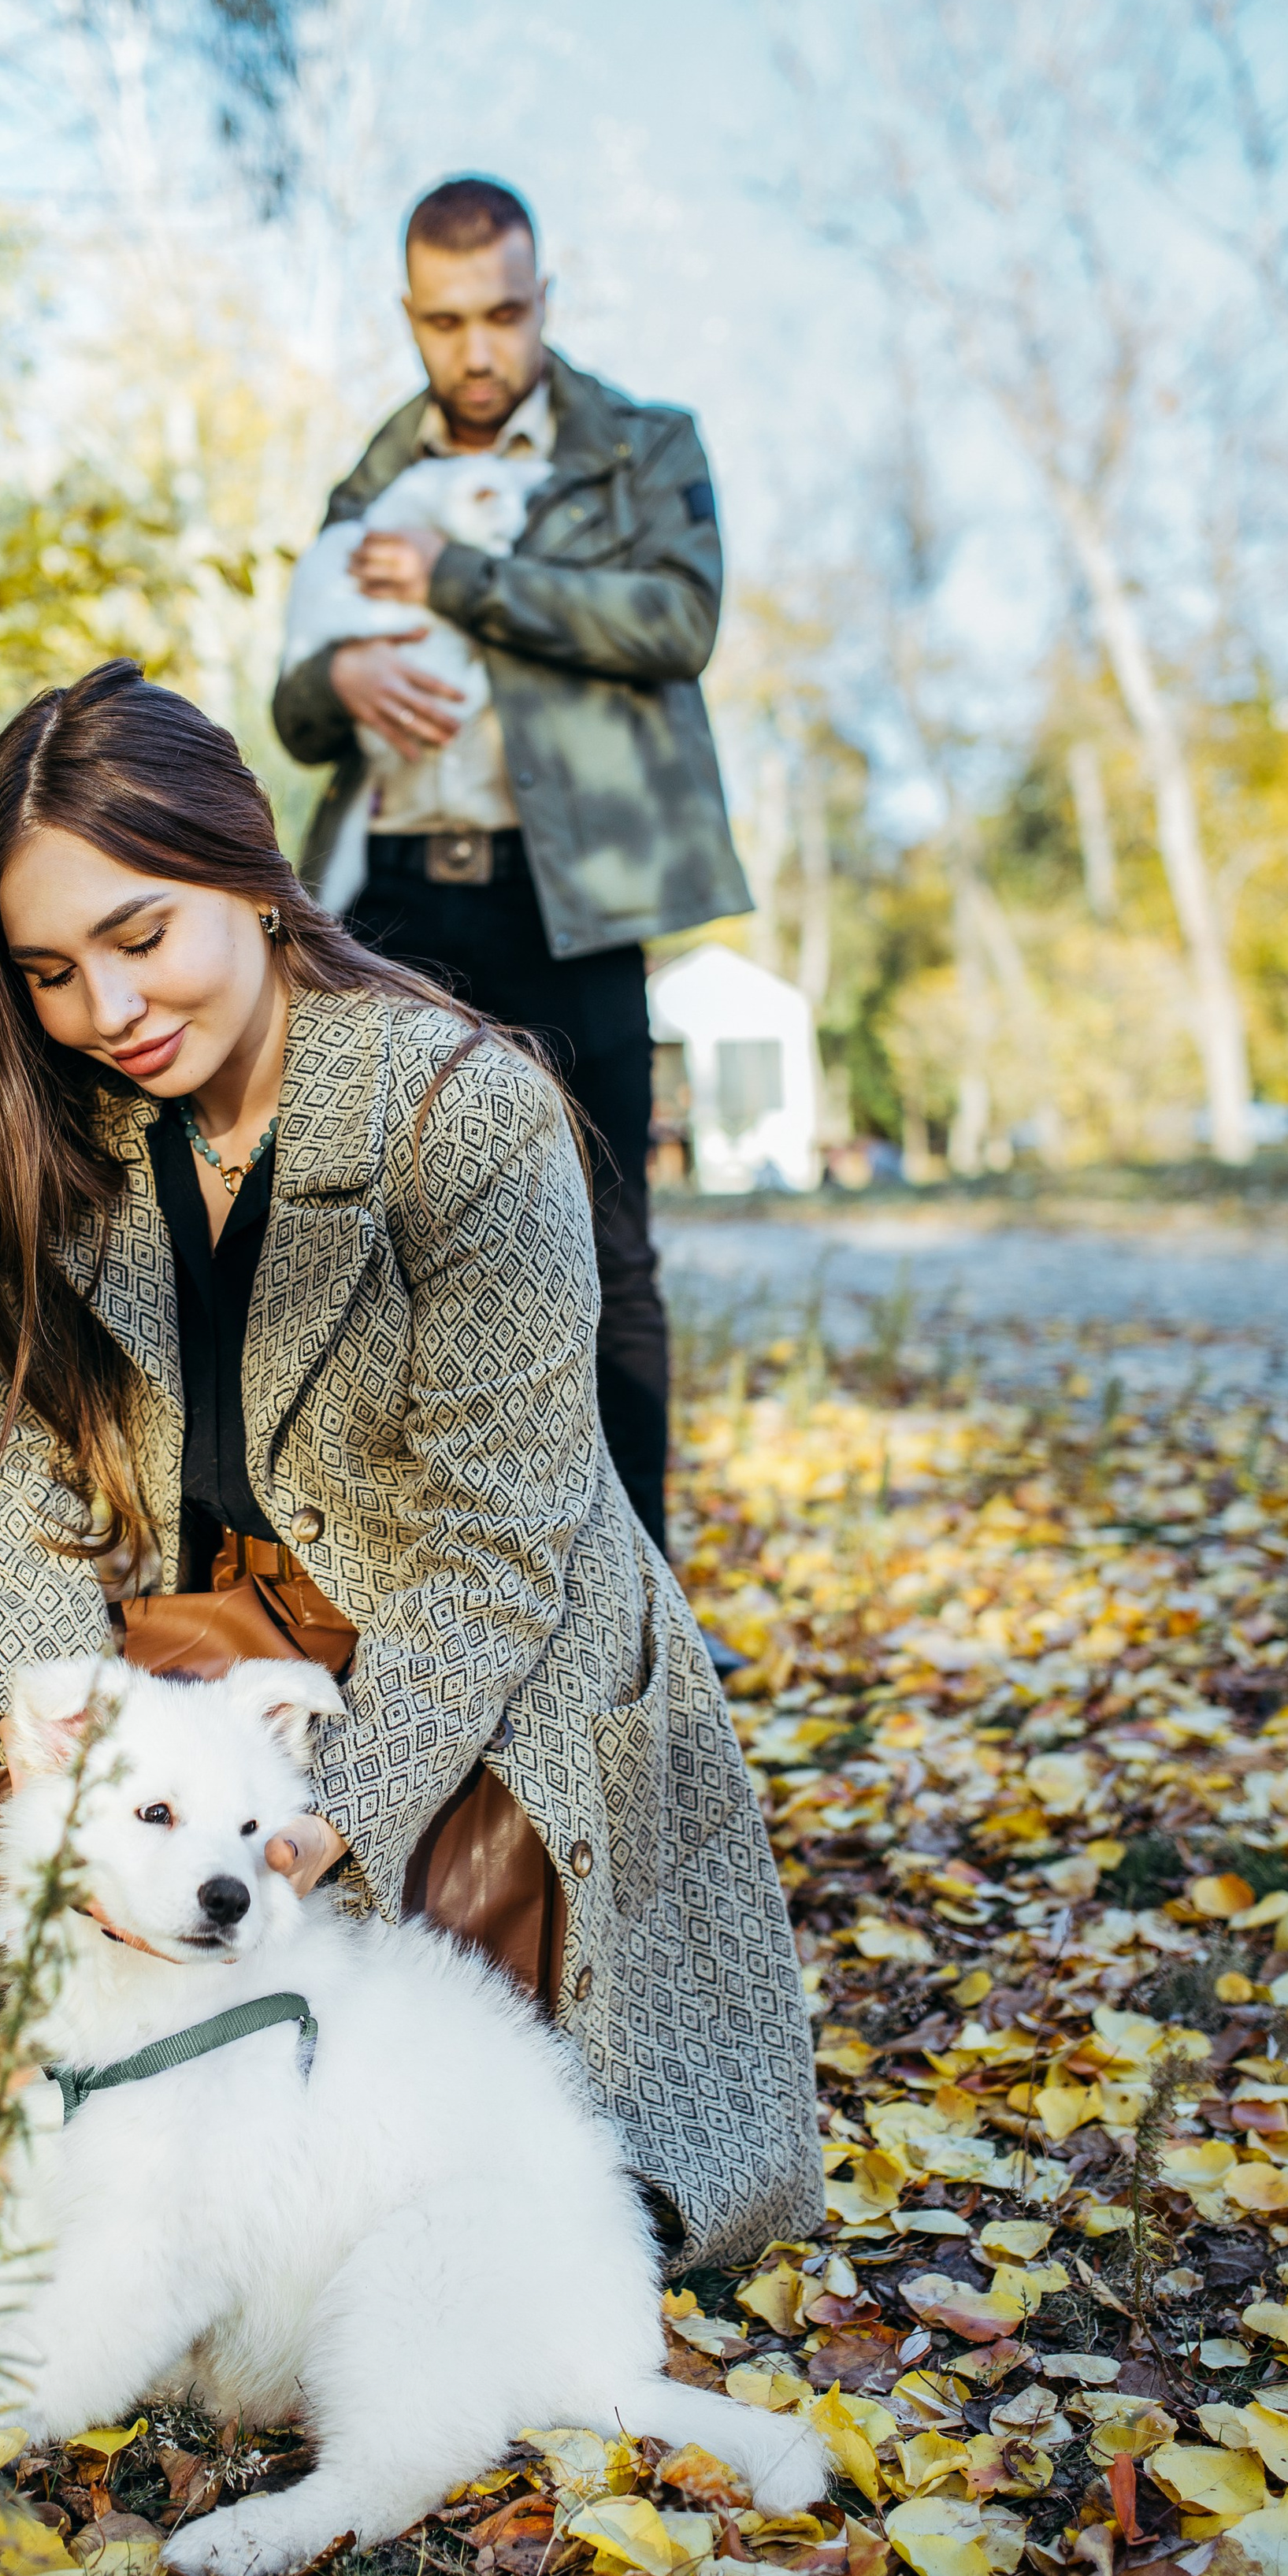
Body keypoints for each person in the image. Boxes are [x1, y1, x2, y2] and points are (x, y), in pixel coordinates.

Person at [0, 663, 817, 2266]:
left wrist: (302, 1823)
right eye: (50, 971)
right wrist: (55, 1786)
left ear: (250, 868)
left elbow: (497, 1562)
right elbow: (15, 1503)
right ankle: (129, 2066)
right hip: (223, 1650)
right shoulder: (58, 1138)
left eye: (139, 938)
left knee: (429, 2163)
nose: (107, 1010)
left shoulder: (460, 1113)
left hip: (479, 1670)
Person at [272, 176, 749, 1556]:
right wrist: (342, 666)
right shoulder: (370, 469)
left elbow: (680, 618)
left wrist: (463, 580)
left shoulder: (641, 447)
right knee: (374, 1255)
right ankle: (427, 1591)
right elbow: (302, 714)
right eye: (443, 321)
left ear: (547, 298)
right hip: (394, 896)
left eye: (504, 314)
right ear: (409, 315)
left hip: (572, 894)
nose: (476, 352)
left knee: (608, 1252)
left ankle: (641, 1598)